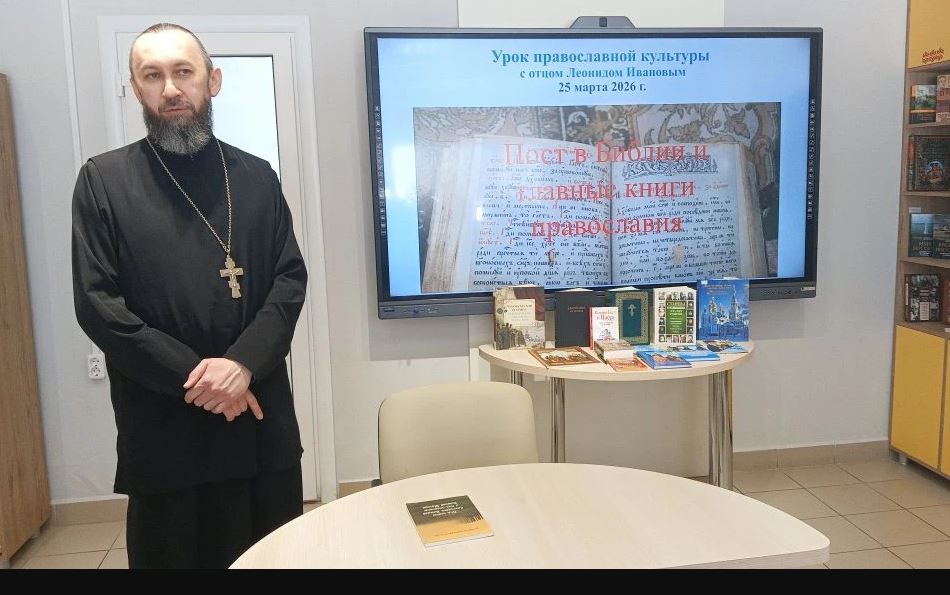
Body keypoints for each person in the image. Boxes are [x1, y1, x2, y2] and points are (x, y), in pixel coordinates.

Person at [71, 22, 307, 569]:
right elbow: (98, 304)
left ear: (212, 80)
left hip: (258, 419)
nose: (171, 88)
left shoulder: (257, 177)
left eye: (184, 71)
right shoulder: (103, 181)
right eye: (152, 75)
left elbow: (288, 280)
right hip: (165, 429)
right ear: (136, 88)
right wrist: (202, 379)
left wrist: (242, 364)